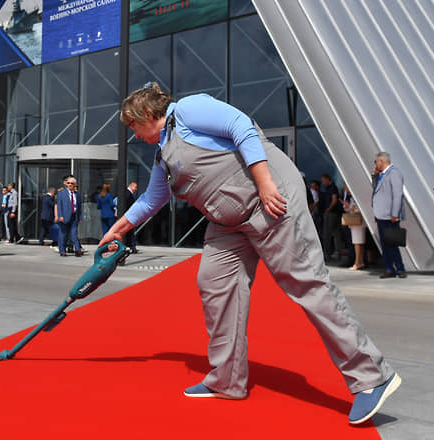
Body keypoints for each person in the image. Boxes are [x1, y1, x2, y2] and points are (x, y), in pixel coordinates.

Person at [98, 84, 399, 425]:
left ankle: (372, 377)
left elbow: (240, 126)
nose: (134, 135)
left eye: (133, 127)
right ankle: (227, 380)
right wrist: (117, 229)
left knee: (306, 284)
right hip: (228, 223)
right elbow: (153, 199)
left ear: (147, 116)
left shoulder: (189, 111)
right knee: (213, 282)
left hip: (270, 200)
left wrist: (266, 183)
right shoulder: (162, 155)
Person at [372, 152, 406, 279]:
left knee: (392, 242)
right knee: (385, 244)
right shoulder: (381, 174)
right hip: (381, 214)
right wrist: (374, 175)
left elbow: (398, 195)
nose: (376, 164)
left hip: (389, 215)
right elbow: (376, 189)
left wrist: (395, 213)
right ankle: (389, 268)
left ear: (382, 161)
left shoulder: (394, 173)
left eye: (376, 161)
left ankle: (400, 268)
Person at [56, 175, 83, 257]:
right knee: (63, 235)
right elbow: (59, 205)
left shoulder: (77, 195)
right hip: (64, 217)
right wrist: (60, 216)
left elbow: (79, 207)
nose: (70, 184)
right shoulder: (61, 193)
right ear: (66, 184)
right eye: (68, 183)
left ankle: (78, 250)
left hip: (74, 216)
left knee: (74, 234)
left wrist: (79, 217)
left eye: (72, 183)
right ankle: (62, 251)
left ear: (75, 185)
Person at [340, 186, 366, 270]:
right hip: (356, 222)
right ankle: (360, 261)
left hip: (357, 222)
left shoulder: (356, 197)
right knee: (359, 243)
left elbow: (357, 209)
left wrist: (349, 206)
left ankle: (357, 263)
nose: (346, 190)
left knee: (357, 243)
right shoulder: (354, 197)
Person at [320, 173, 344, 261]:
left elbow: (334, 200)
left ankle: (328, 254)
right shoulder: (328, 188)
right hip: (333, 213)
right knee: (336, 233)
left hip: (332, 213)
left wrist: (328, 209)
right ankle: (337, 252)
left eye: (323, 181)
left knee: (327, 234)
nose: (323, 183)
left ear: (327, 179)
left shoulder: (333, 188)